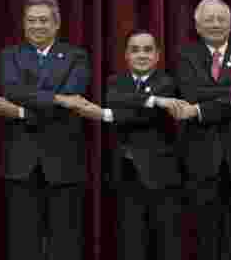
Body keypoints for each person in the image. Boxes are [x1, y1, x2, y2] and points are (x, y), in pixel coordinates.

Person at [0, 0, 92, 260]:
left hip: (64, 162)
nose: (37, 26)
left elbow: (74, 96)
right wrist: (57, 98)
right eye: (31, 21)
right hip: (21, 163)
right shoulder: (9, 55)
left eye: (44, 20)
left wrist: (22, 110)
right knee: (23, 243)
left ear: (57, 24)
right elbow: (13, 90)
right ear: (24, 25)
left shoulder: (76, 56)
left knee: (66, 242)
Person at [76, 30, 183, 260]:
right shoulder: (115, 81)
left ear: (157, 56)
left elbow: (145, 117)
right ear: (126, 55)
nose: (141, 55)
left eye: (147, 50)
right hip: (124, 172)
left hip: (161, 175)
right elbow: (116, 98)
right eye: (135, 50)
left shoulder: (167, 83)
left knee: (166, 240)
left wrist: (104, 114)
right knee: (130, 240)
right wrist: (152, 100)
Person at [174, 0, 231, 260]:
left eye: (221, 19)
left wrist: (203, 106)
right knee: (203, 237)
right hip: (199, 158)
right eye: (209, 19)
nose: (215, 24)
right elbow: (191, 93)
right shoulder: (185, 55)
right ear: (198, 26)